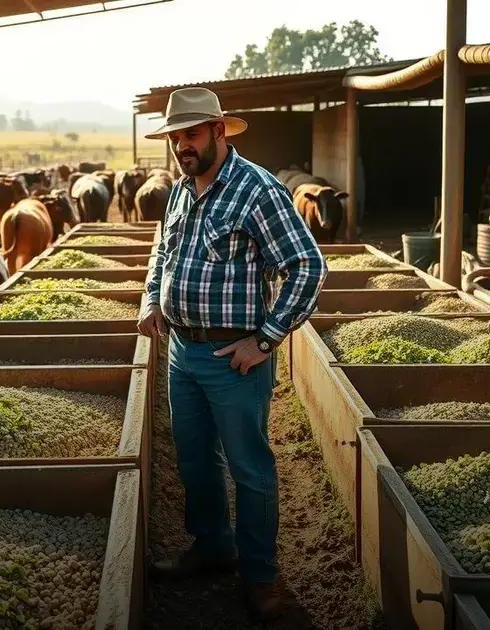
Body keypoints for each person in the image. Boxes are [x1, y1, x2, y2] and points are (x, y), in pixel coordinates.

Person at [136, 87, 327, 620]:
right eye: (175, 137)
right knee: (194, 458)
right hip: (182, 349)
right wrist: (152, 299)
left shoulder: (256, 189)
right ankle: (213, 545)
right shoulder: (180, 190)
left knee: (249, 466)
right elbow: (163, 251)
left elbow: (308, 266)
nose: (182, 145)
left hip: (234, 356)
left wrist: (265, 339)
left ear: (219, 131)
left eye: (192, 134)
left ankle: (261, 574)